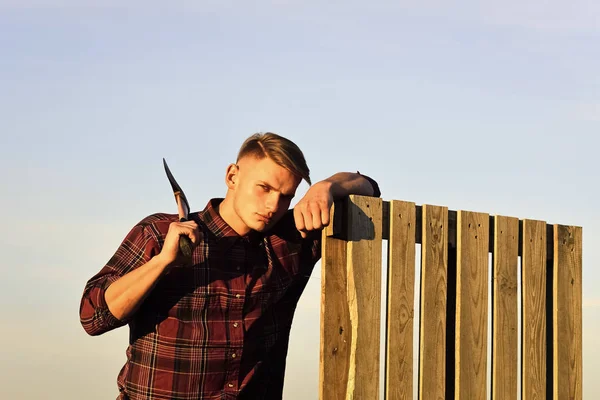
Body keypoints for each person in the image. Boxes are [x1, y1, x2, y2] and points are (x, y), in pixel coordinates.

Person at [79, 132, 380, 400]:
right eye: (264, 188)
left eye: (286, 196)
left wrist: (325, 187)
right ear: (232, 176)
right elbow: (93, 318)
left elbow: (368, 185)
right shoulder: (160, 233)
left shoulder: (290, 241)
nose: (273, 206)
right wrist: (162, 263)